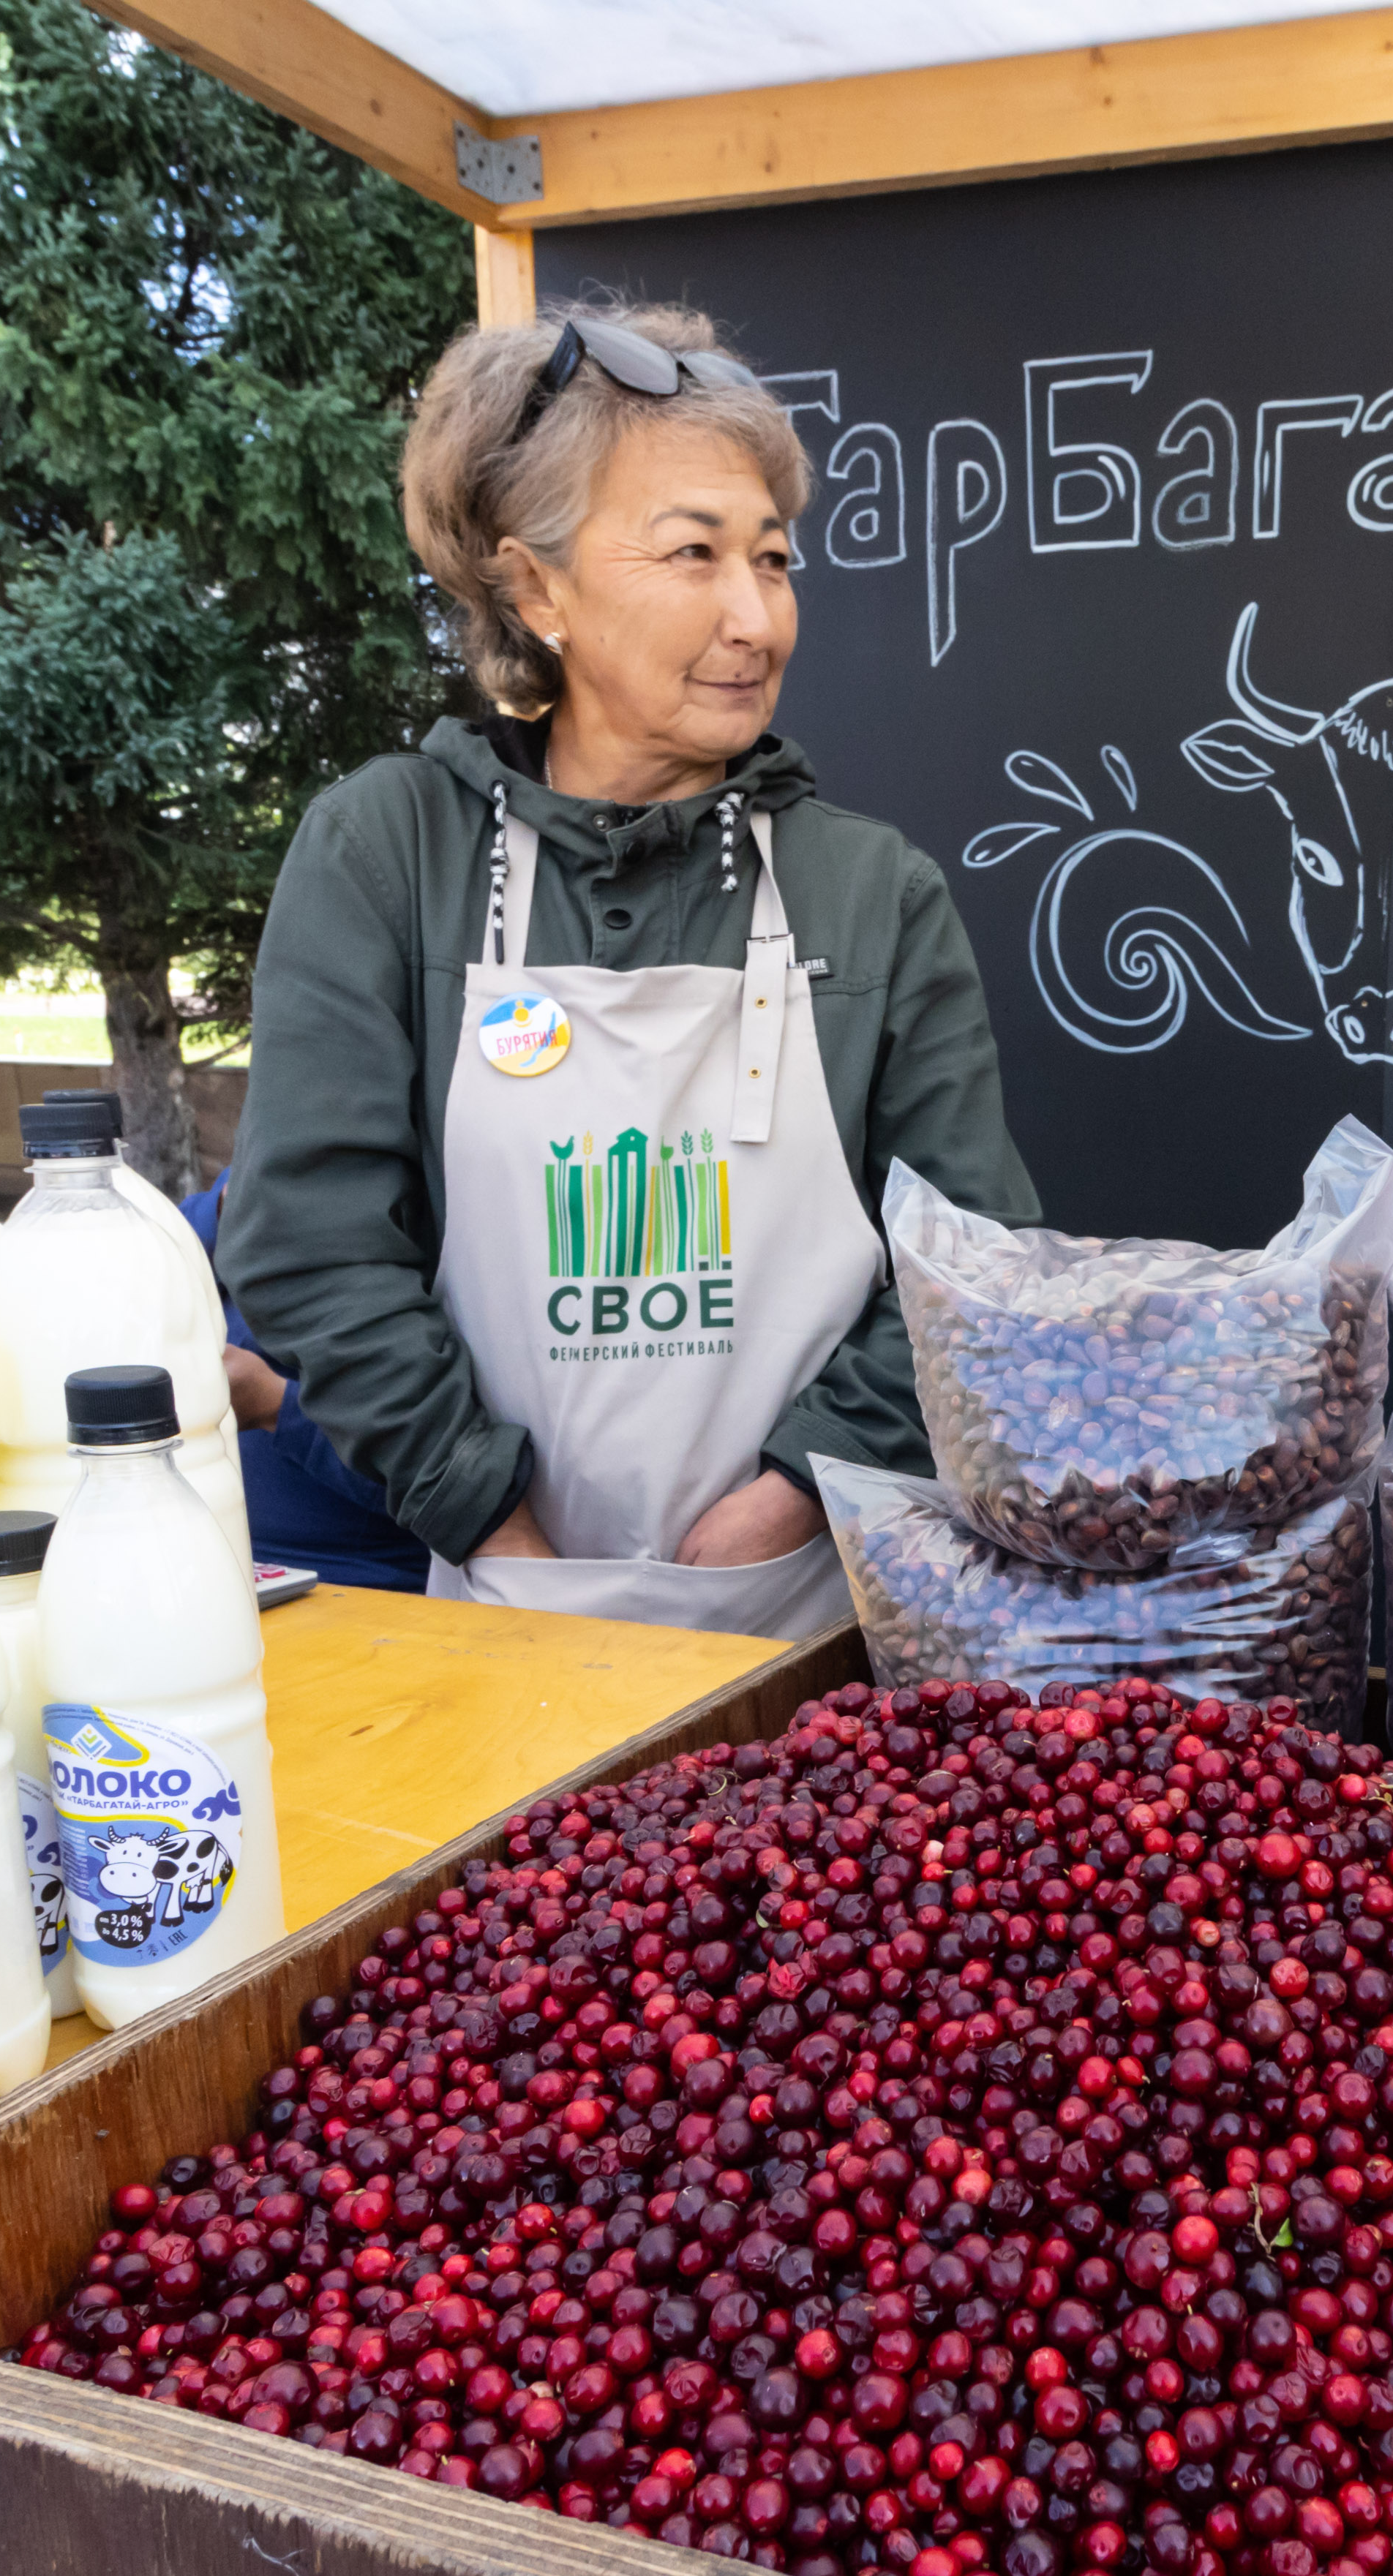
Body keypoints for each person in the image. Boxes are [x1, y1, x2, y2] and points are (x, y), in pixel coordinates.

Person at [225, 304, 1034, 1636]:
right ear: (535, 589)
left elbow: (977, 1262)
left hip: (807, 1615)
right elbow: (312, 1251)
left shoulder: (871, 895)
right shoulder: (390, 853)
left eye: (774, 561)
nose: (755, 617)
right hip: (500, 1612)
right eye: (694, 555)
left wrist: (775, 1510)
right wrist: (501, 1523)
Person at [186, 1167, 430, 1594]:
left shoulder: (410, 1224)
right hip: (202, 1562)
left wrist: (276, 1407)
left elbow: (440, 1475)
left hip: (356, 1581)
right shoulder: (213, 1215)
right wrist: (224, 1212)